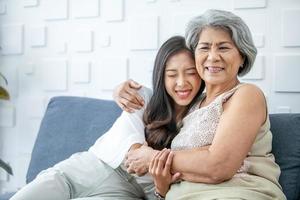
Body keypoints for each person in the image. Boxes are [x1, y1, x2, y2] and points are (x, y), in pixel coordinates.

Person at [114, 9, 286, 200]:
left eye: (223, 48)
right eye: (204, 48)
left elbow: (218, 166)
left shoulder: (246, 95)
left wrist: (151, 158)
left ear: (242, 56)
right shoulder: (193, 103)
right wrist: (121, 90)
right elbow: (160, 95)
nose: (212, 57)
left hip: (238, 193)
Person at [10, 36, 204, 200]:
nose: (181, 83)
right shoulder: (144, 97)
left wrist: (150, 161)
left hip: (128, 192)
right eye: (172, 75)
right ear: (161, 77)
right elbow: (132, 150)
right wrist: (144, 156)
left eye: (190, 73)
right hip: (93, 166)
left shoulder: (203, 116)